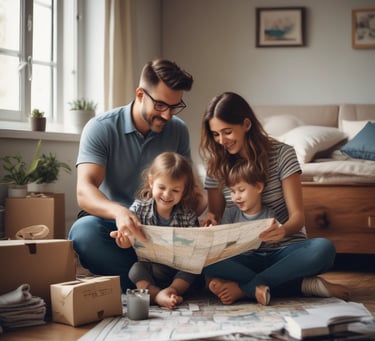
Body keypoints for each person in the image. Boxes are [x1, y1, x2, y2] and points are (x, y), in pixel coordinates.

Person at [68, 59, 206, 293]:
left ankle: (151, 284)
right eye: (161, 105)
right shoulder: (100, 128)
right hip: (117, 228)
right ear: (140, 94)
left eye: (174, 107)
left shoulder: (178, 129)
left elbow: (190, 187)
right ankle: (163, 285)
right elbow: (84, 190)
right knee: (83, 232)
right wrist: (120, 212)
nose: (168, 115)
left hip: (164, 228)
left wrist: (202, 210)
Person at [200, 92, 350, 305]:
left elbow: (297, 217)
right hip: (243, 254)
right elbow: (215, 214)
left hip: (284, 251)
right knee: (202, 260)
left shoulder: (282, 154)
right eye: (215, 134)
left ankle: (247, 288)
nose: (221, 141)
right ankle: (302, 285)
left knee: (324, 249)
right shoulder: (216, 164)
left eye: (227, 132)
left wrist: (282, 231)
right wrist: (210, 221)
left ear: (246, 124)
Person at [112, 152, 200, 309]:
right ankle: (156, 294)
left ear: (184, 191)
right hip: (151, 269)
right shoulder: (139, 209)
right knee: (135, 270)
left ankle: (172, 290)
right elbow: (128, 242)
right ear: (151, 182)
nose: (167, 194)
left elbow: (194, 249)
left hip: (177, 271)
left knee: (193, 269)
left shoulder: (187, 216)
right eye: (162, 187)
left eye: (175, 190)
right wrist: (124, 241)